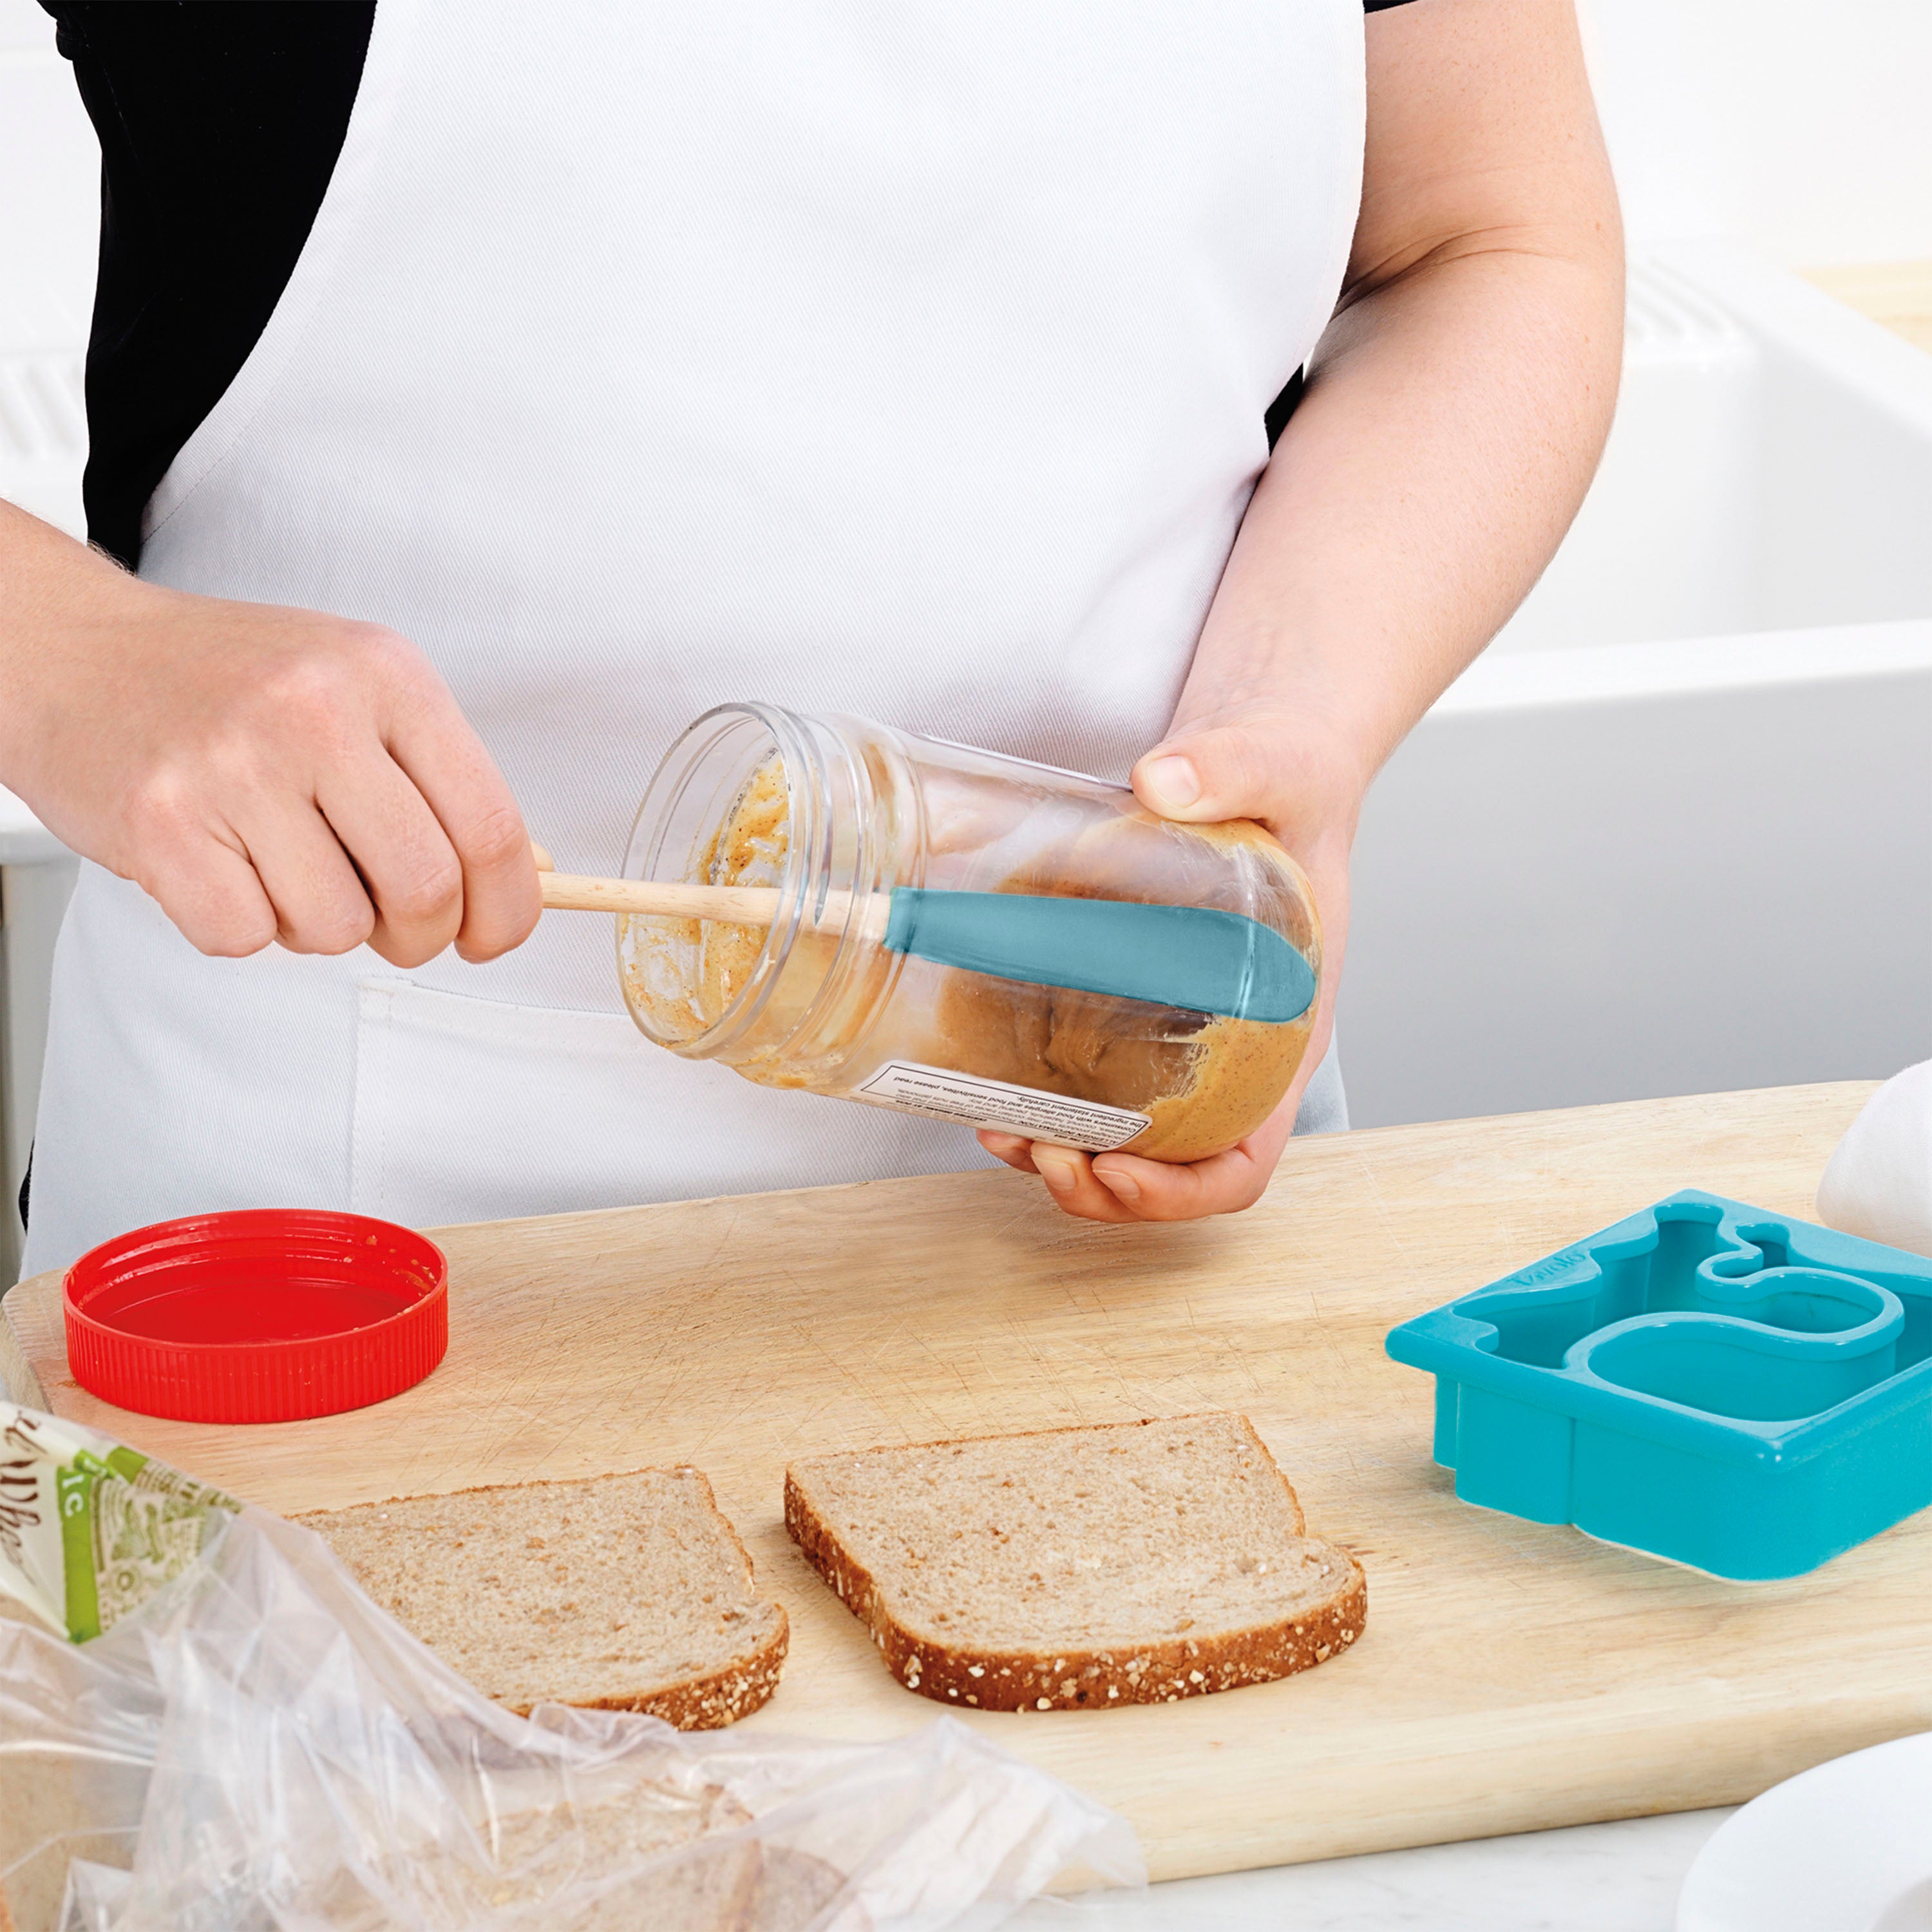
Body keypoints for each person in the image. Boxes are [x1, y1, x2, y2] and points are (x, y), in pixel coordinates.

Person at [1, 0, 1622, 1273]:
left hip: (1121, 1125)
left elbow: (1481, 238)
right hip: (343, 1224)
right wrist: (70, 658)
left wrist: (1298, 724)